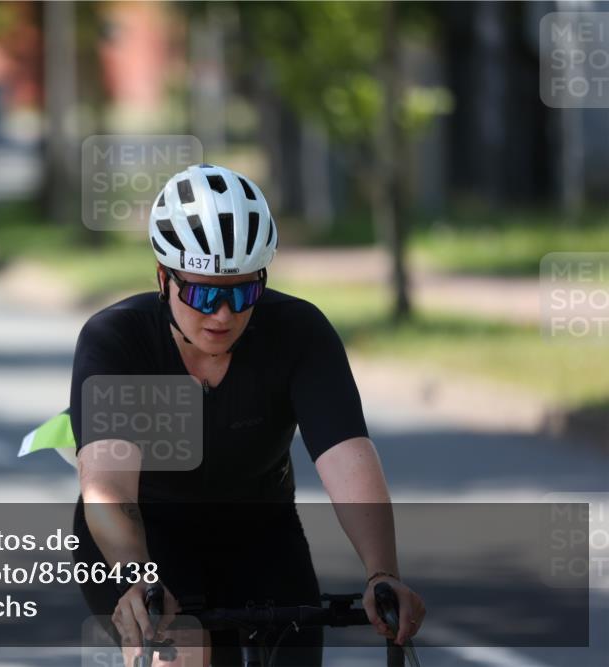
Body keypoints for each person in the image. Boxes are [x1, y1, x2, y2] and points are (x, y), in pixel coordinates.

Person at [69, 164, 425, 666]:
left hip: (259, 532)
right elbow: (108, 487)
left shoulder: (299, 332)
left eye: (241, 292)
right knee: (182, 652)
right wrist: (138, 580)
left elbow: (347, 456)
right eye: (202, 292)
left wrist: (381, 573)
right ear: (162, 277)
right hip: (144, 537)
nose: (222, 314)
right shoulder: (119, 342)